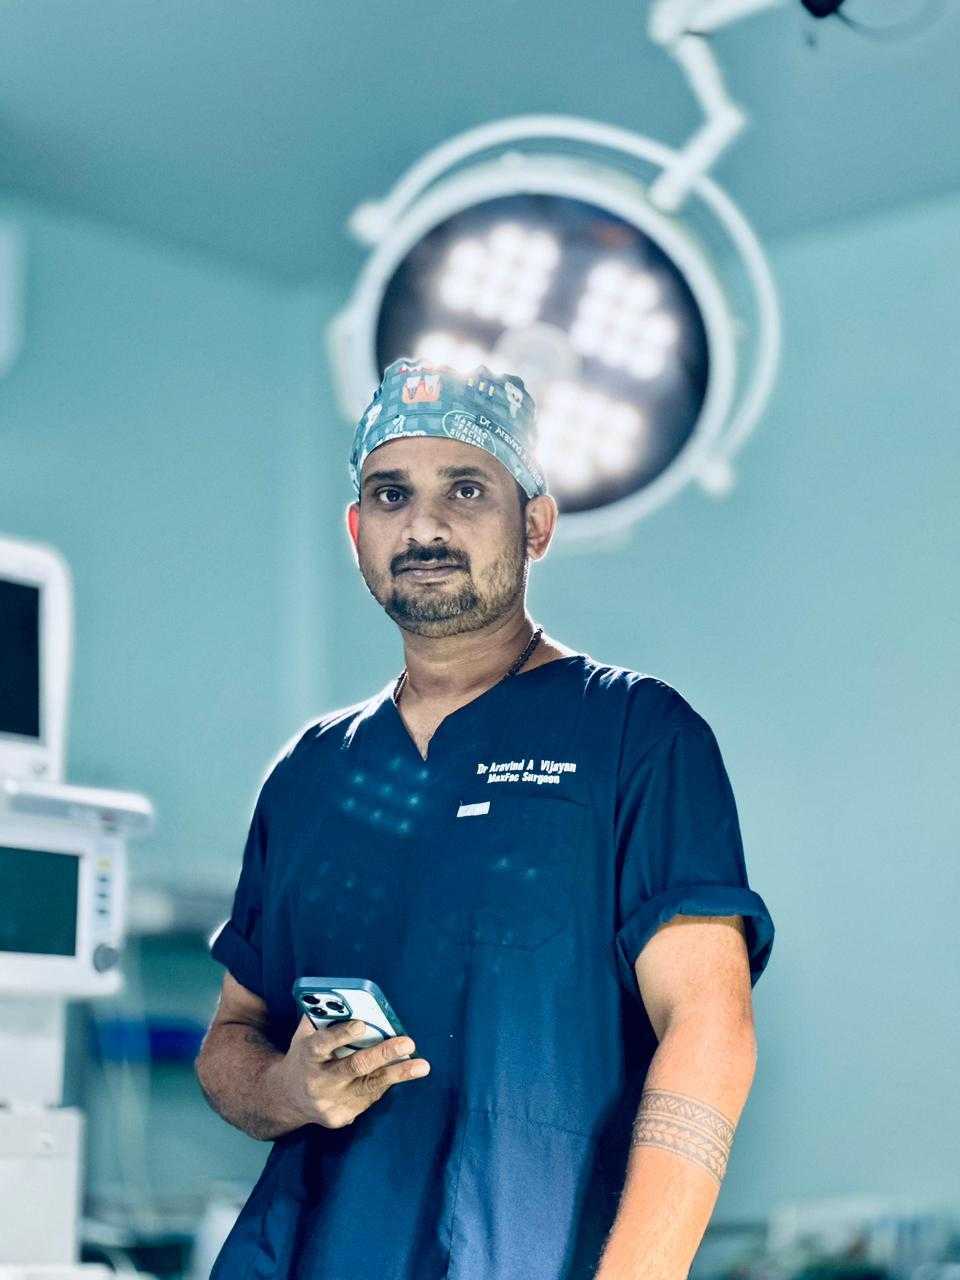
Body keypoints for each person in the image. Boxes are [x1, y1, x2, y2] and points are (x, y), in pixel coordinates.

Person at [195, 356, 776, 1280]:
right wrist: (287, 1088)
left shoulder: (636, 735)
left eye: (465, 489)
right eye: (391, 495)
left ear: (535, 524)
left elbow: (710, 1030)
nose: (424, 526)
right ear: (357, 531)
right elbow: (232, 1036)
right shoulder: (310, 774)